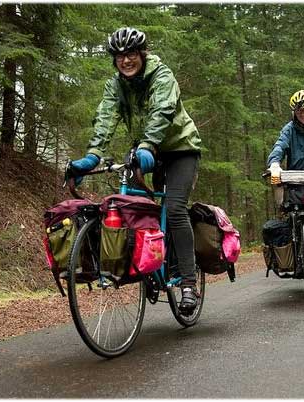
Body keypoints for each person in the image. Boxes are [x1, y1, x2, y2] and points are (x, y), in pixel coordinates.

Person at [70, 27, 202, 314]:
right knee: (134, 207)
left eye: (131, 54)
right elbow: (106, 118)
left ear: (142, 54)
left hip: (180, 149)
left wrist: (149, 145)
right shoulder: (115, 86)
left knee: (176, 209)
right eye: (119, 56)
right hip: (144, 149)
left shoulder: (162, 75)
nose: (125, 61)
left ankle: (189, 283)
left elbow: (162, 111)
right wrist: (92, 156)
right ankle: (147, 264)